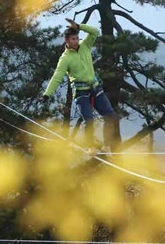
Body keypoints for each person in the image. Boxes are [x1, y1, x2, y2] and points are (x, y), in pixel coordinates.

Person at [42, 19, 117, 148]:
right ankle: (91, 147)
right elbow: (57, 77)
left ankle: (107, 147)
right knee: (89, 121)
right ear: (67, 41)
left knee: (111, 116)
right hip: (81, 92)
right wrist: (47, 94)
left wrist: (79, 26)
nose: (76, 41)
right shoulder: (65, 59)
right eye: (73, 39)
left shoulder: (85, 45)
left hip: (95, 88)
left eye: (77, 38)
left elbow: (95, 32)